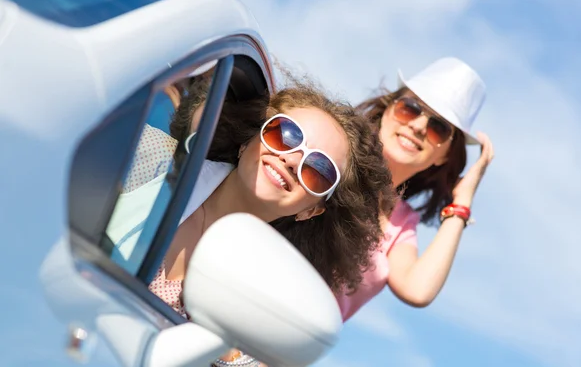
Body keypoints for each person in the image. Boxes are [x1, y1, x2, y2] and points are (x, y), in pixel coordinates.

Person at [124, 78, 393, 366]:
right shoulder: (150, 158)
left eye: (317, 168)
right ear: (250, 139)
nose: (291, 159)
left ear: (311, 210)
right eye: (285, 135)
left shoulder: (271, 306)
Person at [336, 57, 495, 321]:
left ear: (444, 155)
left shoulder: (402, 222)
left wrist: (463, 201)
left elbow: (418, 290)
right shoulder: (331, 155)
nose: (419, 126)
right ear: (386, 111)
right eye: (410, 108)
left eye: (439, 128)